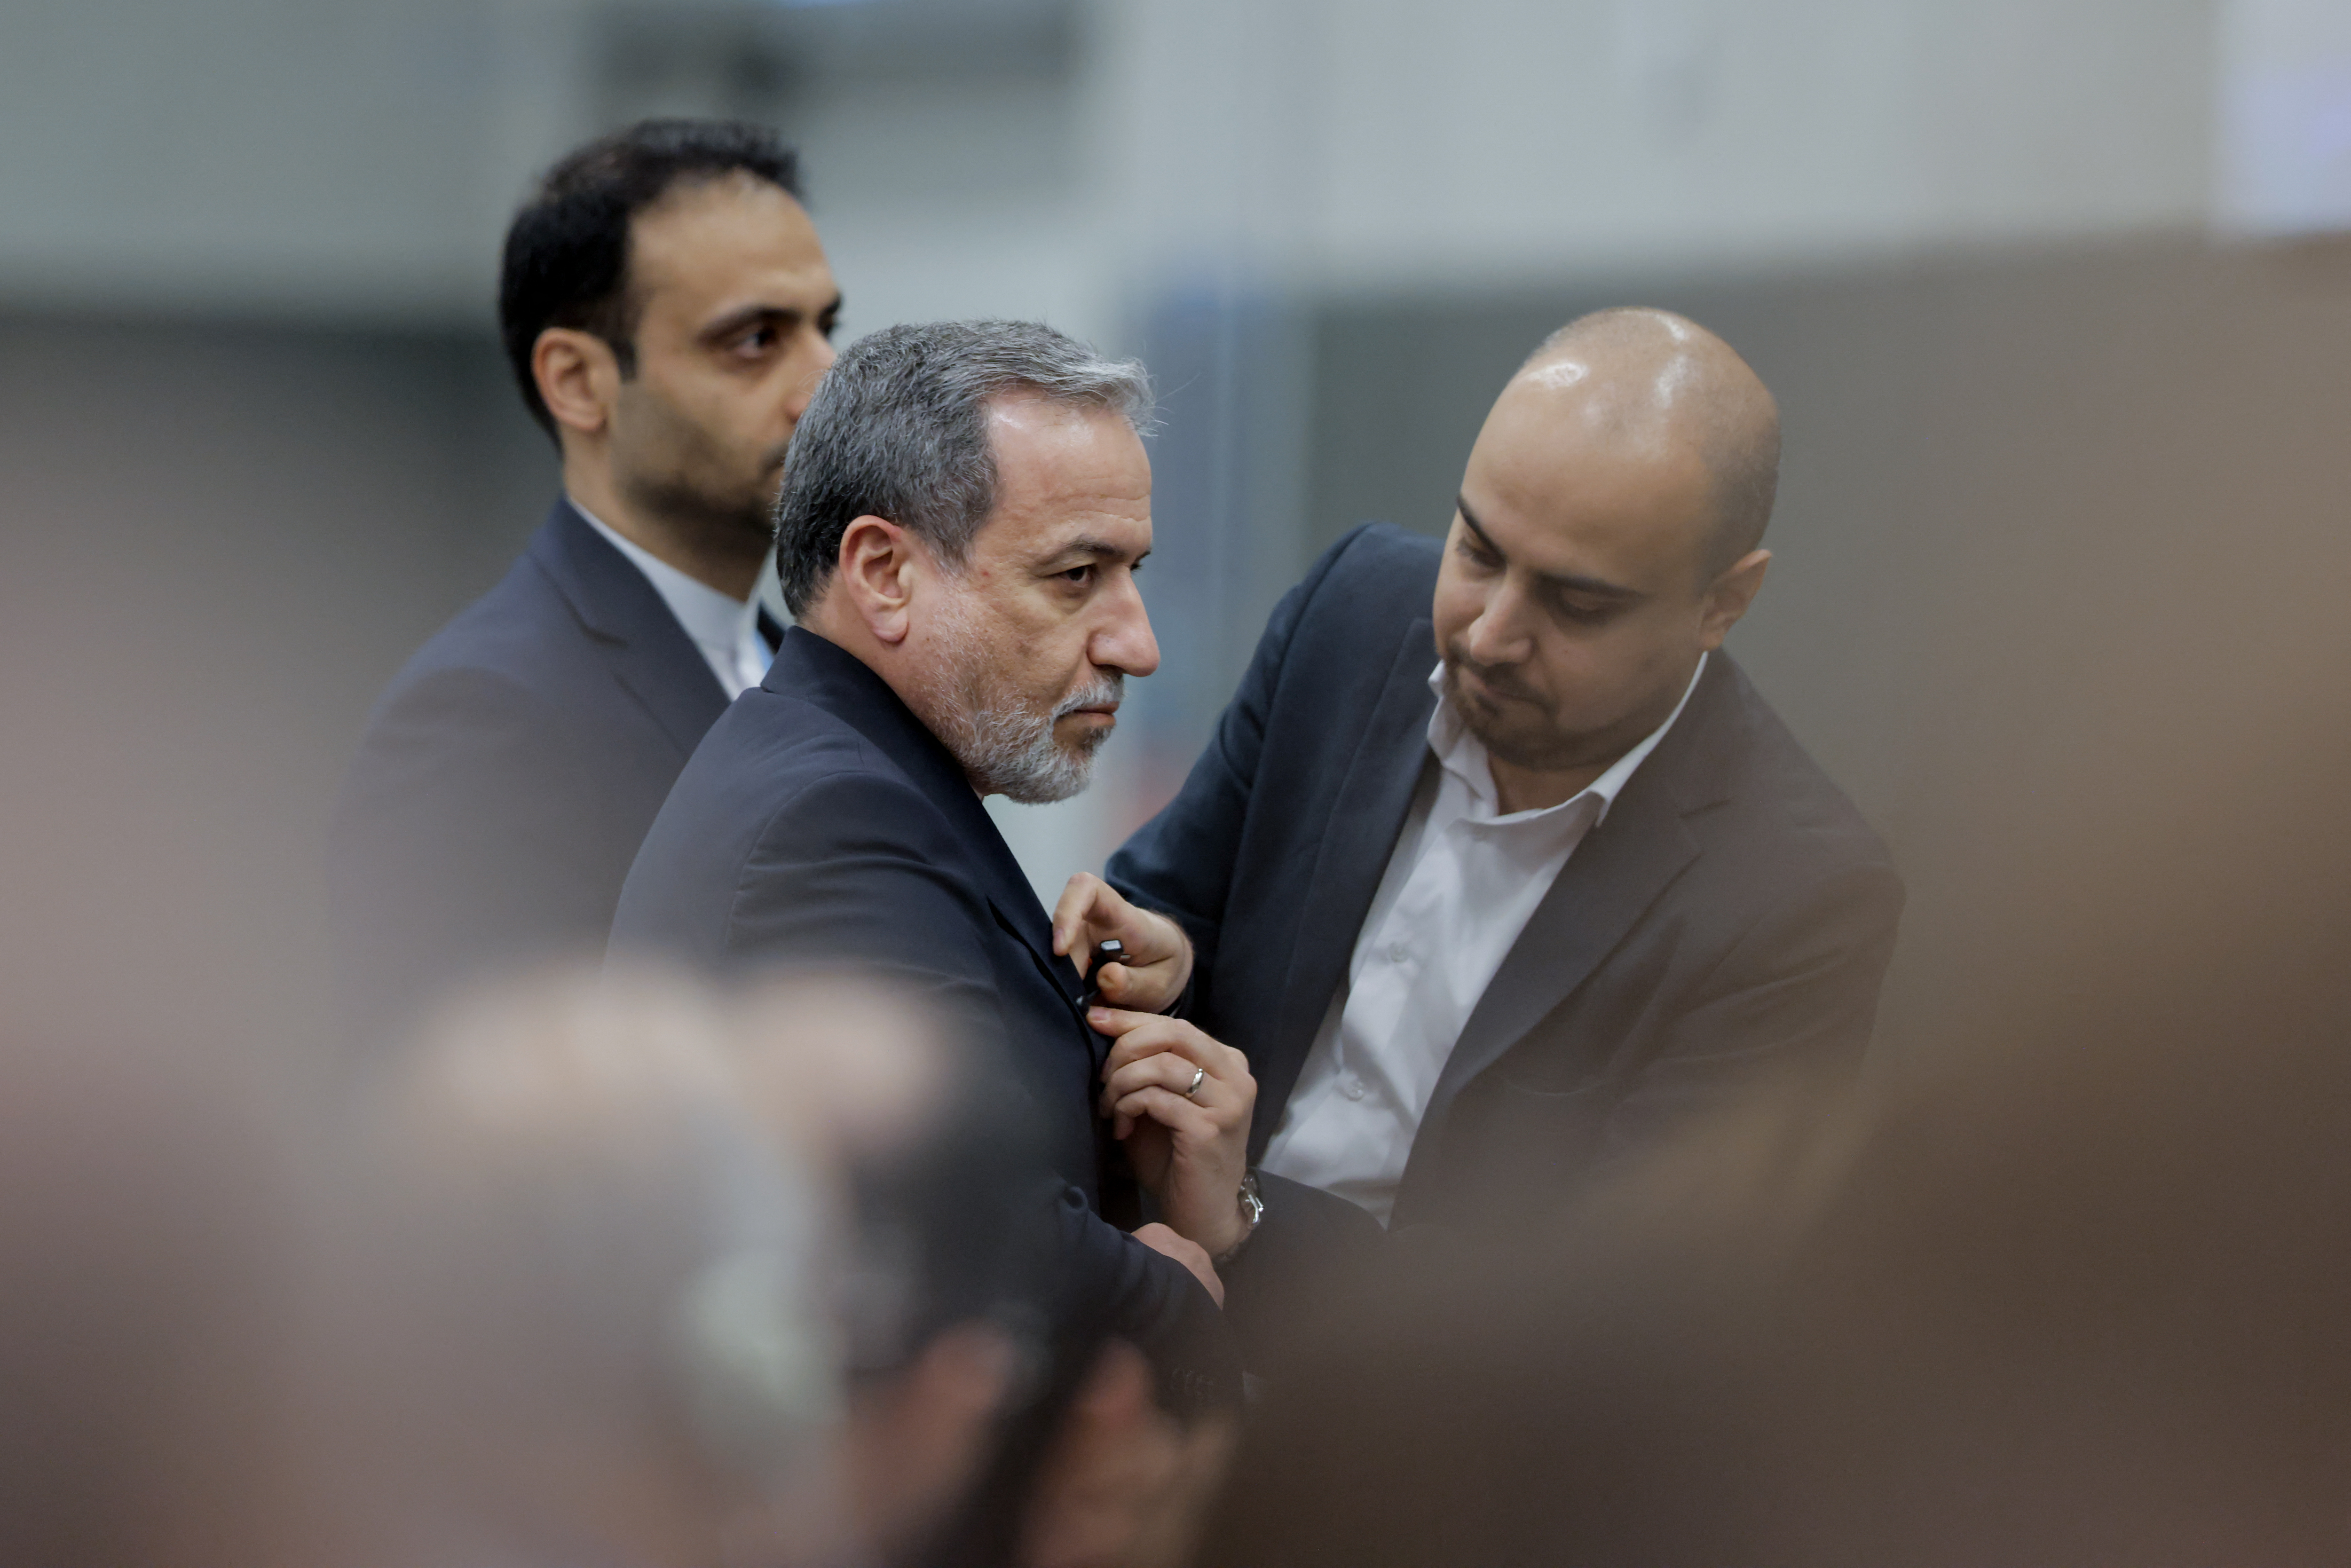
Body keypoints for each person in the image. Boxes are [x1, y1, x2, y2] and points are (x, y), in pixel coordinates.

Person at [1066, 308, 1903, 1359]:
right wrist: (1164, 960)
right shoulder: (1356, 617)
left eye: (1577, 603)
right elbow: (1167, 911)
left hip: (1438, 1444)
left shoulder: (1792, 897)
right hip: (1150, 1325)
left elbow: (1618, 1315)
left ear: (1722, 603)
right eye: (1477, 549)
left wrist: (1249, 1226)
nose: (1489, 632)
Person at [610, 320, 1255, 1420]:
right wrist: (1179, 1294)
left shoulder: (845, 771)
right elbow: (972, 1224)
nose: (1134, 643)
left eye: (1130, 573)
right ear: (885, 573)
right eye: (1076, 576)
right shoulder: (833, 817)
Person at [329, 118, 841, 1039]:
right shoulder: (484, 718)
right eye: (756, 339)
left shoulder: (807, 675)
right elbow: (461, 1118)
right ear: (577, 381)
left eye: (823, 327)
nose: (827, 381)